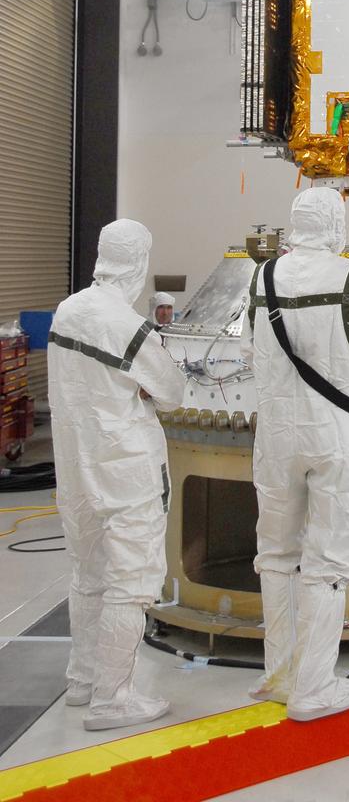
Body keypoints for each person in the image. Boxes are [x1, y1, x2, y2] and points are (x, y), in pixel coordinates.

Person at [241, 188, 349, 721]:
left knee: (276, 552)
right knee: (328, 557)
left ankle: (280, 674)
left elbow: (251, 351)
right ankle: (314, 687)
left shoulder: (261, 277)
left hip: (274, 436)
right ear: (336, 223)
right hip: (333, 432)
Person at [47, 219, 186, 731]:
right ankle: (113, 699)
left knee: (88, 575)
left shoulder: (69, 310)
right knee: (131, 581)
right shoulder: (128, 326)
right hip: (125, 470)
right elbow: (171, 391)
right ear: (140, 261)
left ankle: (82, 680)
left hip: (75, 466)